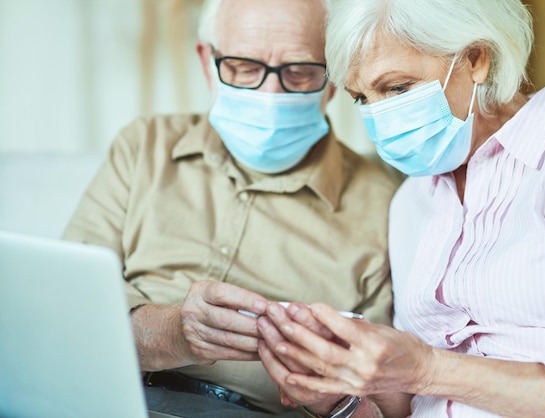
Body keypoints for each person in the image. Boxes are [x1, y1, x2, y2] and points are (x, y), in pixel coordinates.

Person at [256, 0, 545, 417]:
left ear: (476, 59)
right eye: (361, 98)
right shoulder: (410, 201)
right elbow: (410, 401)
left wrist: (428, 368)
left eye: (396, 88)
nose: (379, 114)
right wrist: (335, 390)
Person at [62, 0, 400, 416]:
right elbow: (62, 310)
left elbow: (392, 403)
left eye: (299, 71)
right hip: (98, 397)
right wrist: (172, 333)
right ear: (208, 63)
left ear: (333, 80)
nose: (269, 94)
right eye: (244, 66)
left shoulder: (383, 203)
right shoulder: (144, 147)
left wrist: (333, 399)